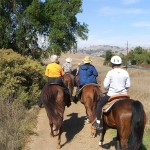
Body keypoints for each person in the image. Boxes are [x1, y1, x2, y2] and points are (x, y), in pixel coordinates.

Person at [93, 55, 131, 129]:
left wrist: (109, 88)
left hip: (112, 95)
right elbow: (128, 85)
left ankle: (98, 122)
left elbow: (105, 85)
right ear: (120, 64)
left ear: (112, 64)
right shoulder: (125, 72)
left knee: (99, 105)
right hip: (124, 95)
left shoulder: (110, 72)